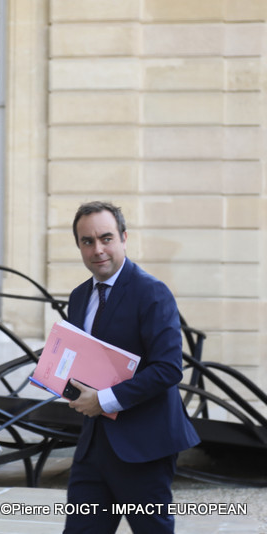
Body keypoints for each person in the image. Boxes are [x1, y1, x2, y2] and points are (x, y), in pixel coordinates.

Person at [63, 201, 200, 533]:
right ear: (79, 245)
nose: (98, 249)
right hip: (92, 449)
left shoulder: (152, 293)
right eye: (87, 241)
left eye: (106, 238)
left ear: (124, 238)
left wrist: (104, 399)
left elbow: (168, 368)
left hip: (144, 447)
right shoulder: (79, 297)